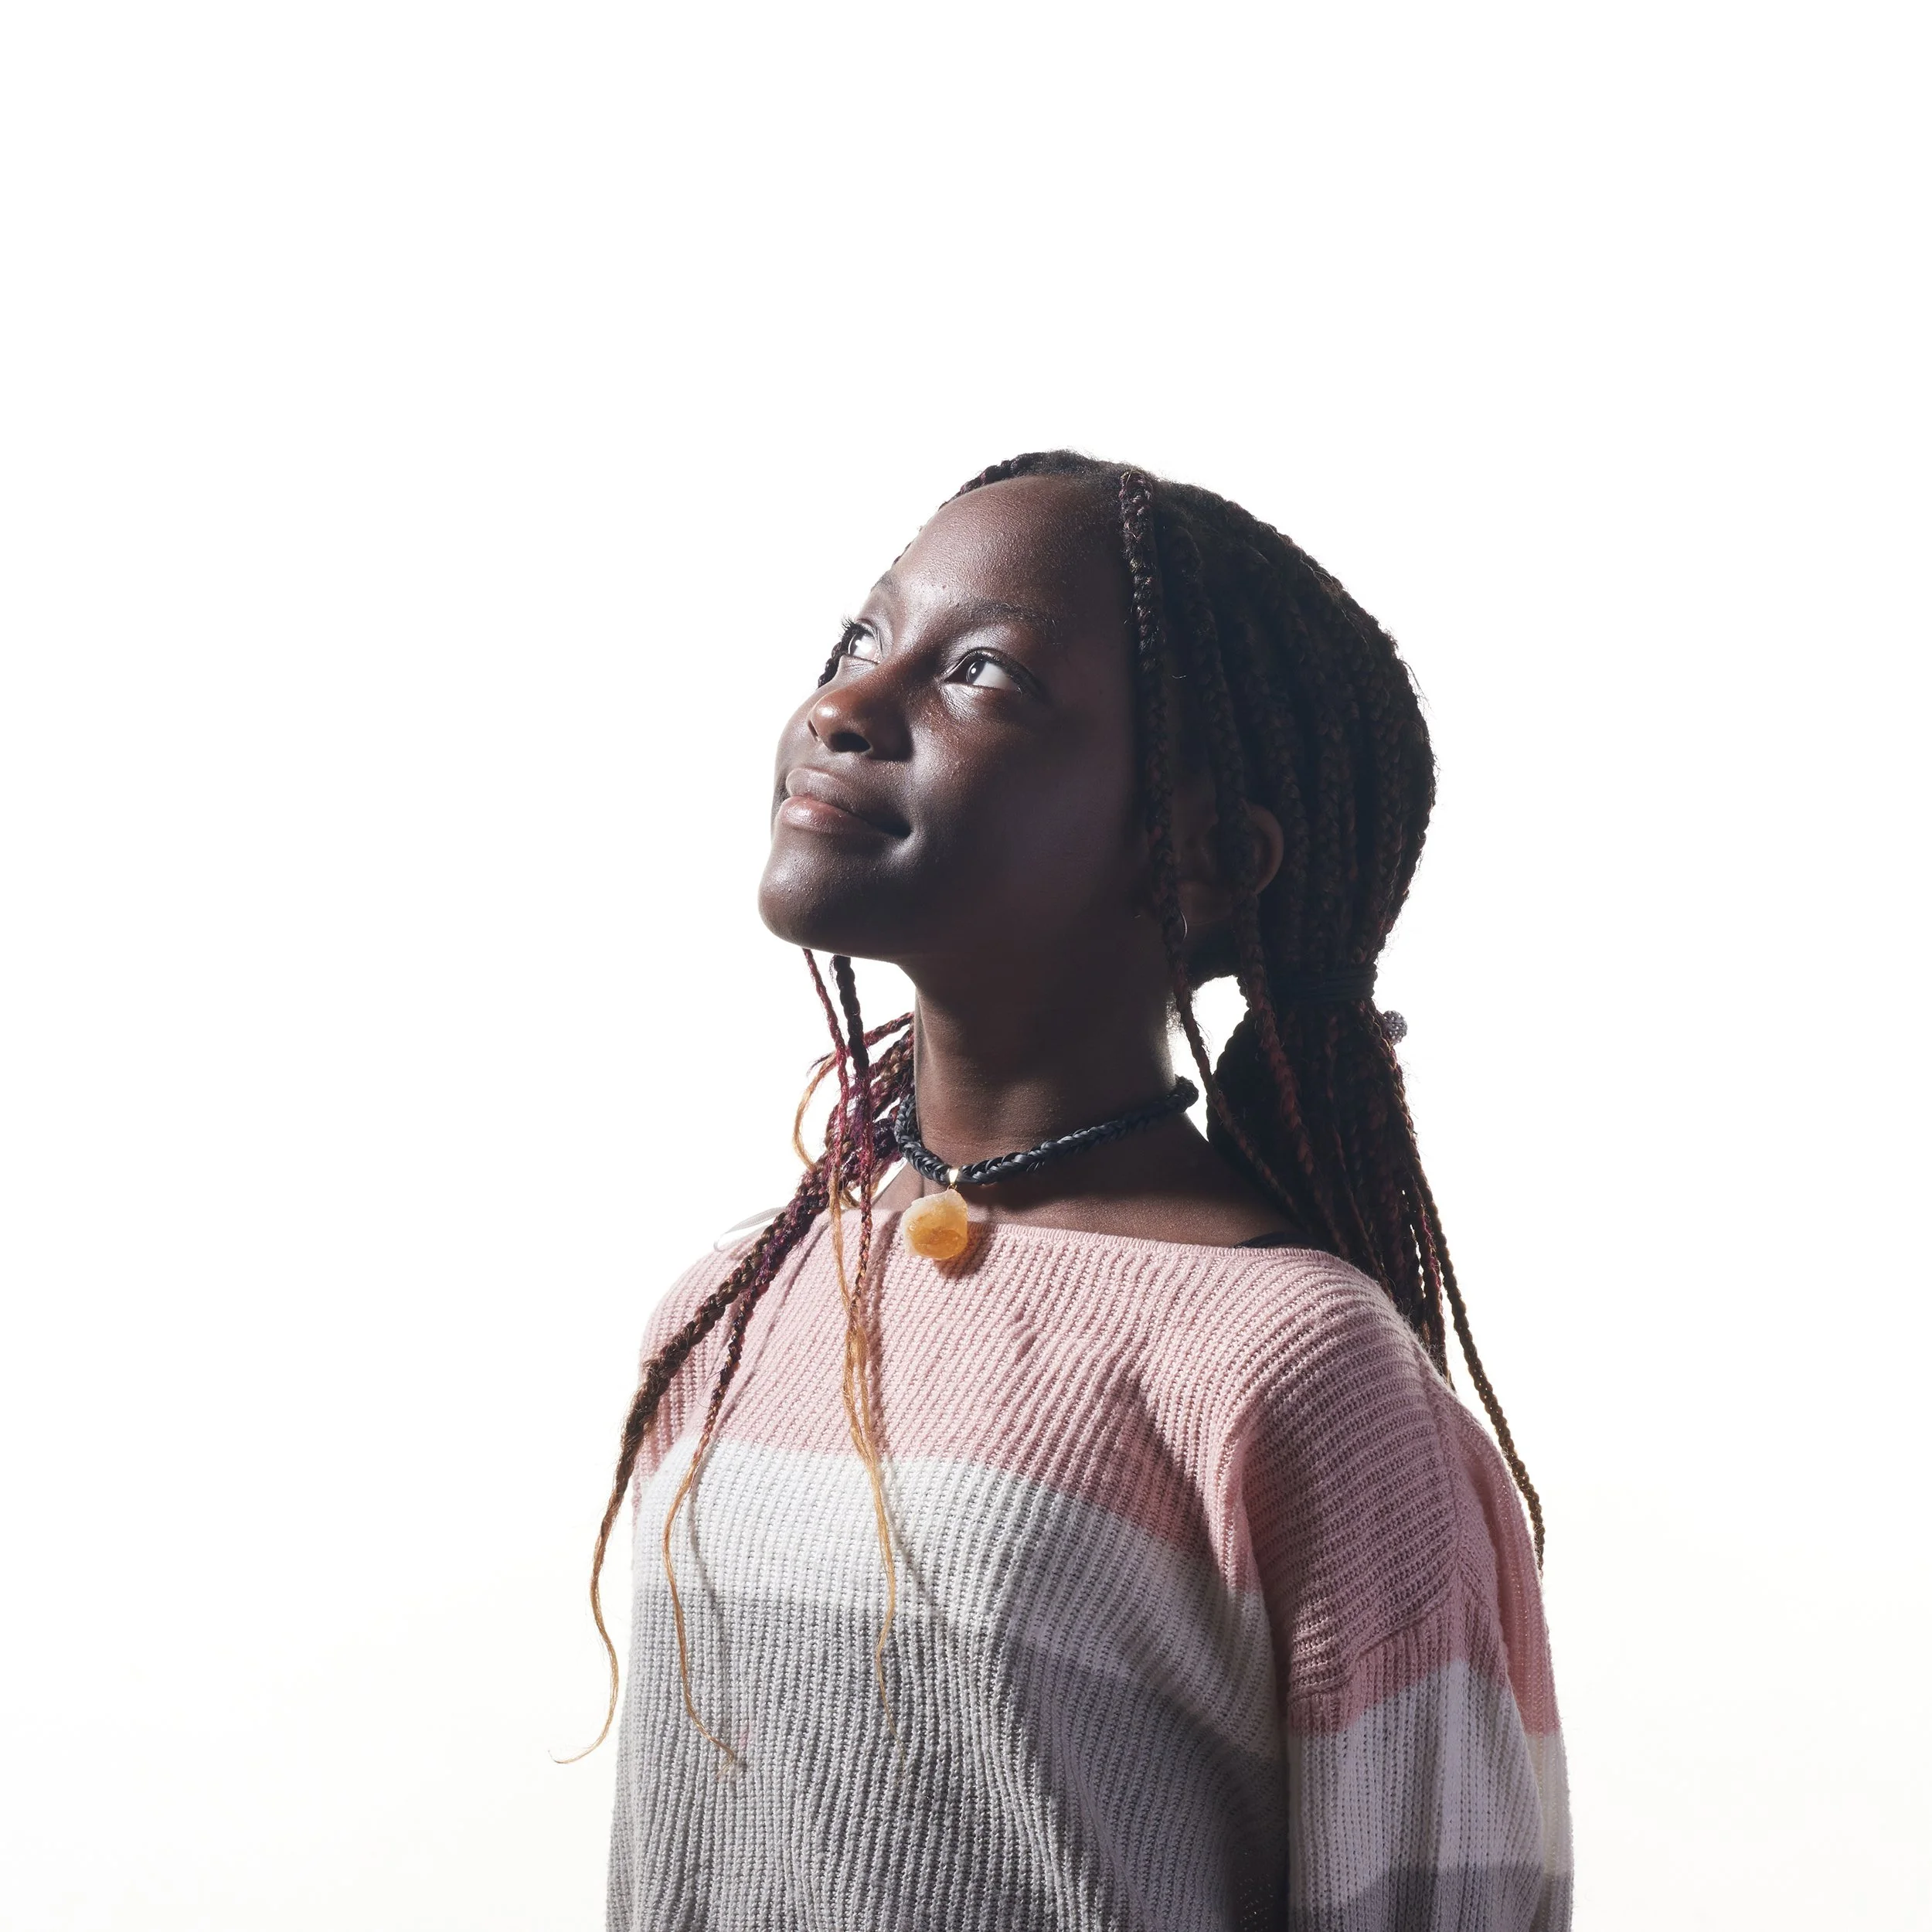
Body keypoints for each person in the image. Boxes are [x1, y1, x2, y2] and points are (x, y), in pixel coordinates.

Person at [587, 453, 1570, 1930]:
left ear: (1206, 855)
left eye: (978, 673)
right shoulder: (737, 1306)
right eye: (862, 641)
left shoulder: (1295, 1375)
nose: (845, 707)